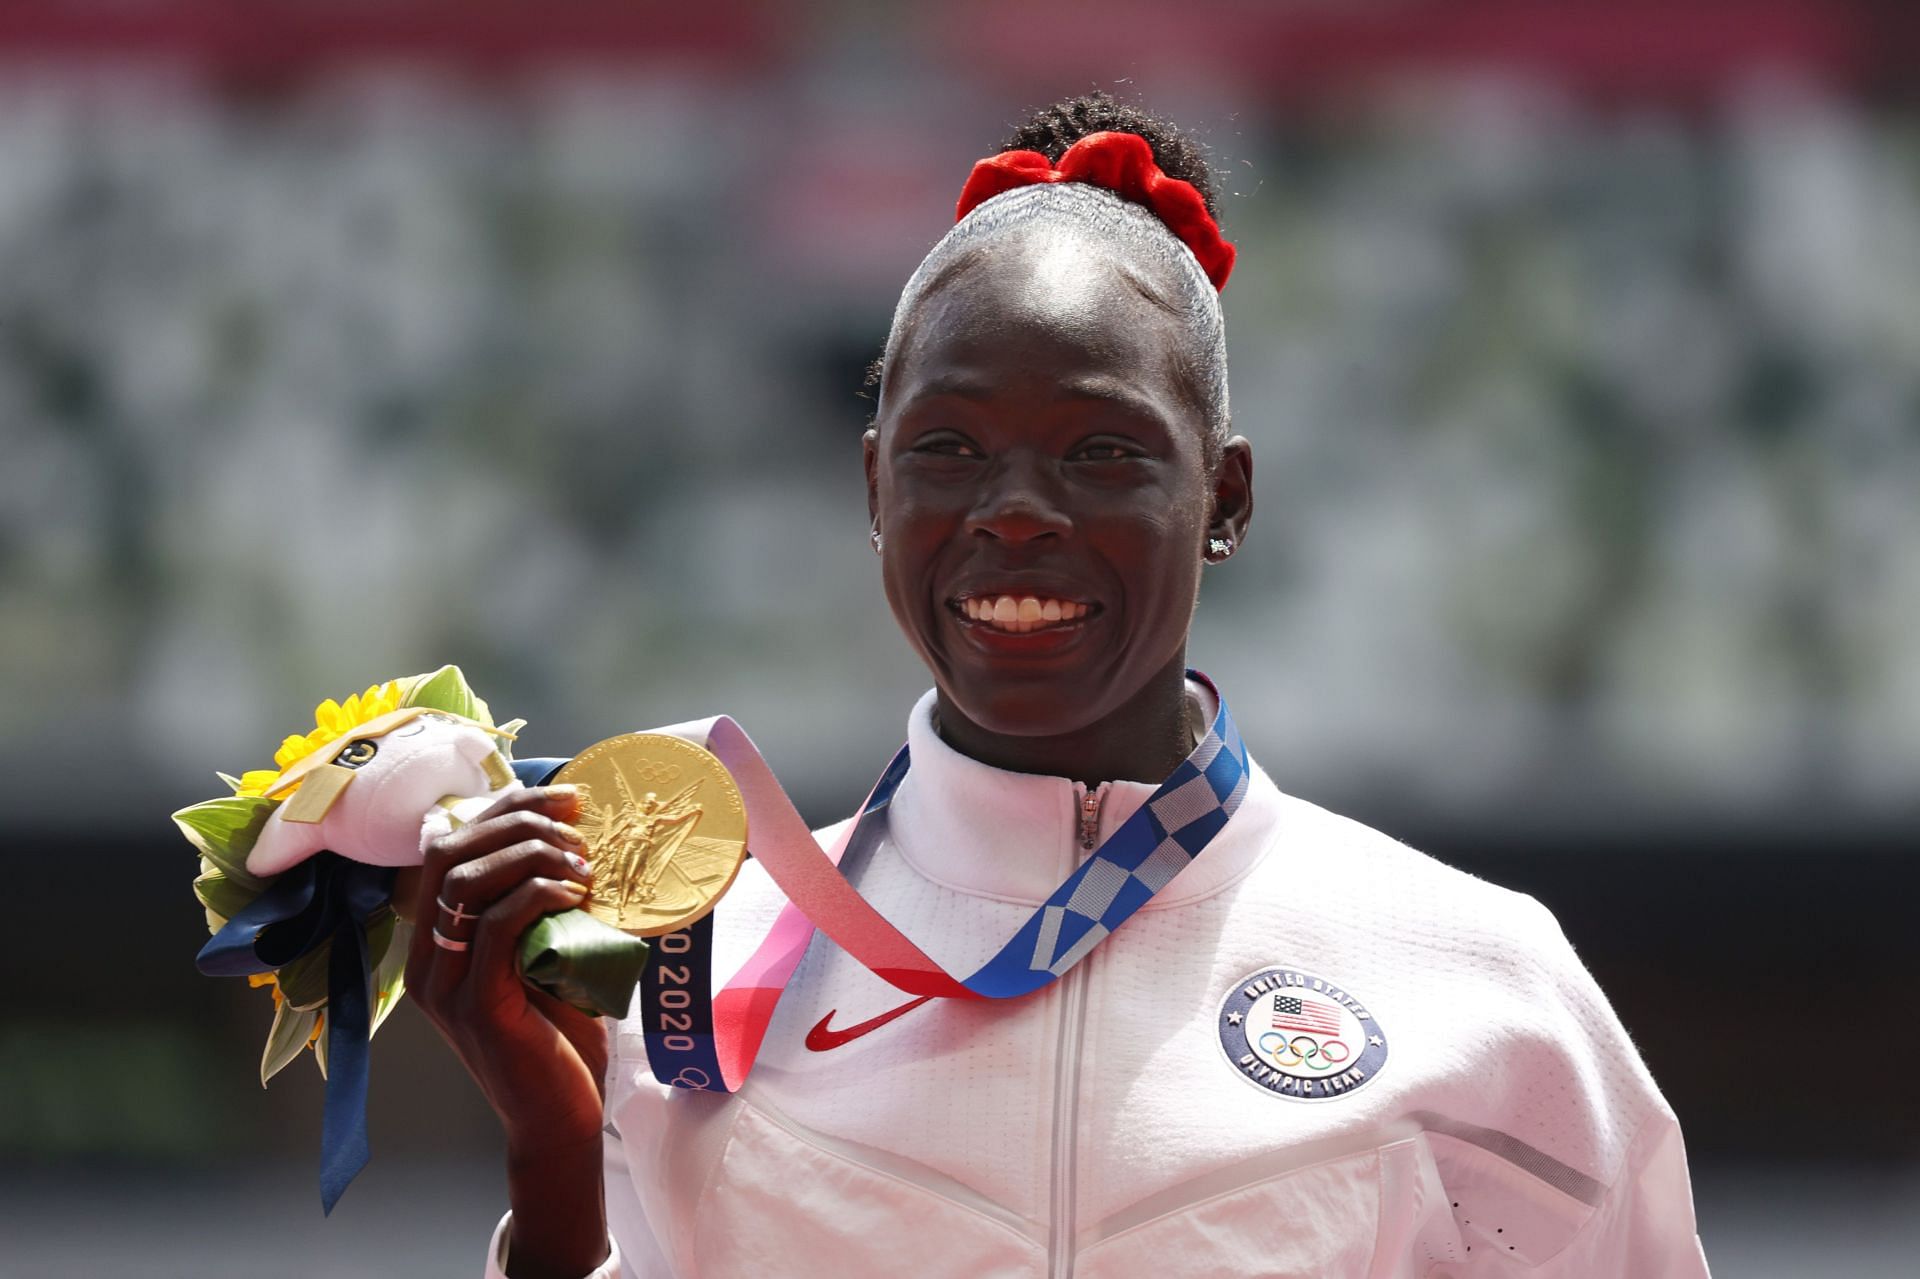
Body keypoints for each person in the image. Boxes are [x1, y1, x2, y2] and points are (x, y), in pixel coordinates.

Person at [405, 94, 1712, 1279]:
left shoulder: (1482, 987)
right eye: (949, 450)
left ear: (1227, 499)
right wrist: (555, 1167)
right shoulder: (695, 980)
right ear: (875, 490)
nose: (1014, 514)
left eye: (1100, 452)